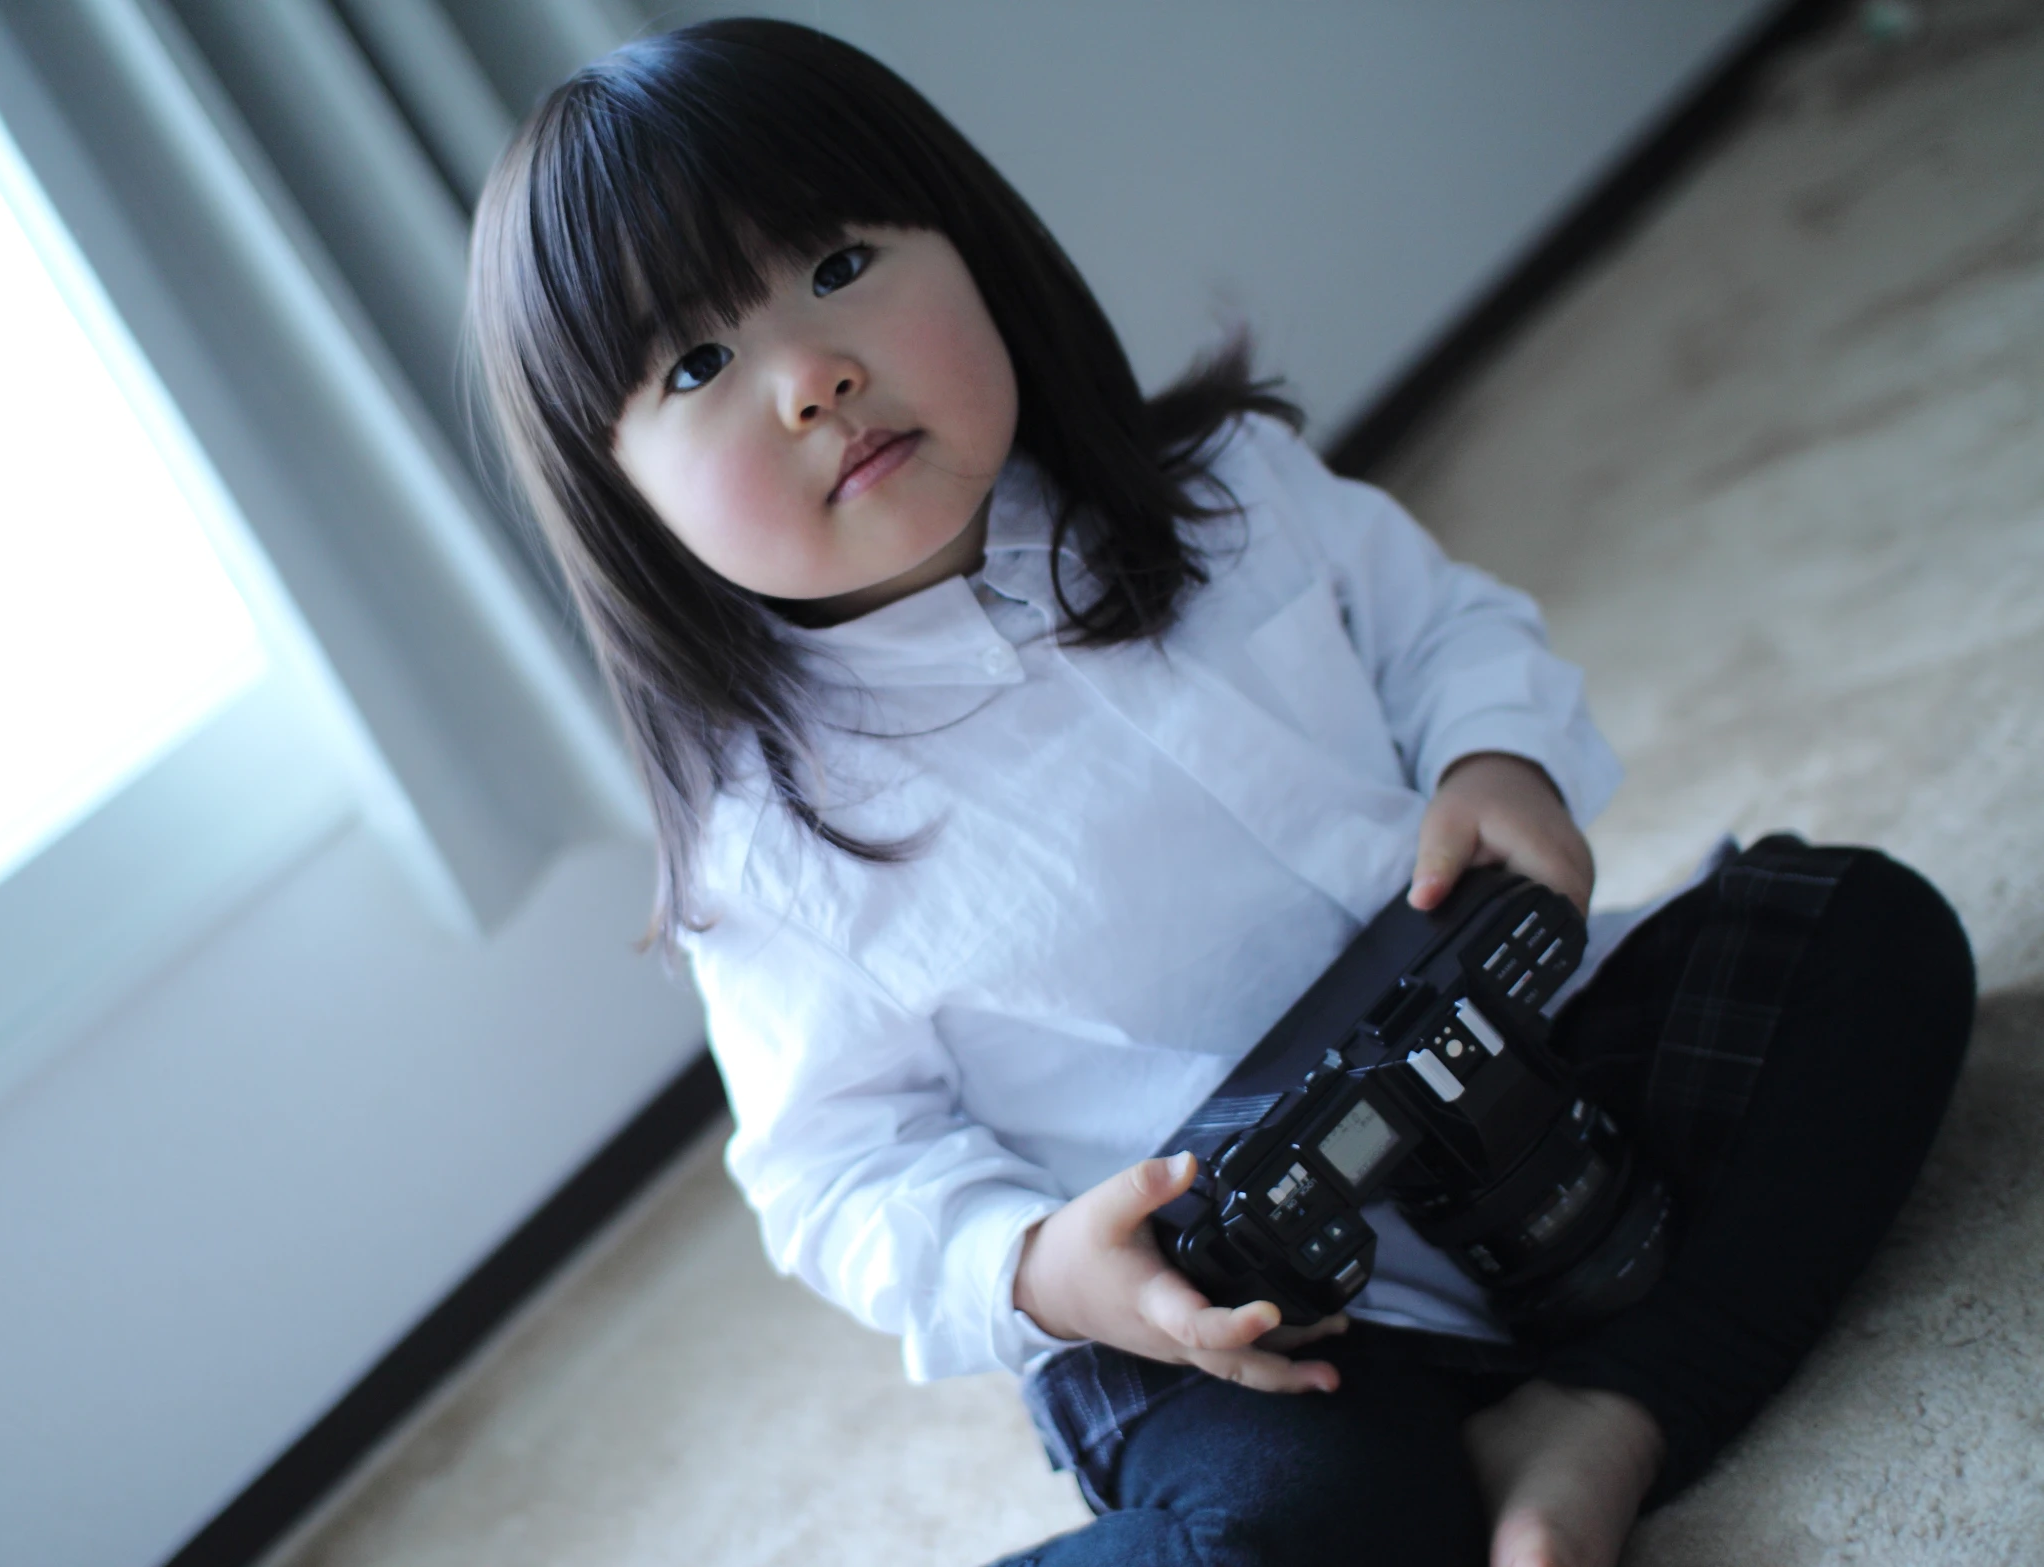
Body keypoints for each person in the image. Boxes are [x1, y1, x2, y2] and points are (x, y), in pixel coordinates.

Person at [465, 20, 1975, 1567]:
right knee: (1309, 1528)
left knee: (1873, 940)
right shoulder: (768, 843)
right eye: (699, 362)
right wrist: (1045, 1265)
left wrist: (1490, 755)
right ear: (622, 499)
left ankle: (1600, 1412)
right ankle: (1488, 1434)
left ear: (970, 245)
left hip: (1530, 1075)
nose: (811, 374)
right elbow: (841, 1172)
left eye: (839, 262)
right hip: (1232, 1293)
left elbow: (1439, 631)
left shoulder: (1224, 489)